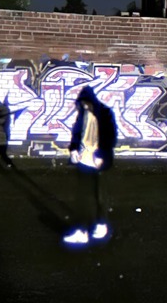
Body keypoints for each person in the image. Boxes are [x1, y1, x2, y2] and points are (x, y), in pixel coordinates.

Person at [63, 86, 117, 245]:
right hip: (84, 158)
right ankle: (82, 231)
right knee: (82, 197)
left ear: (91, 101)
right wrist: (73, 149)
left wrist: (101, 155)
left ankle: (101, 224)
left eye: (86, 103)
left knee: (100, 195)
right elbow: (76, 133)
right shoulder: (83, 113)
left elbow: (110, 137)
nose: (85, 106)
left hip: (99, 159)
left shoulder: (105, 113)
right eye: (83, 104)